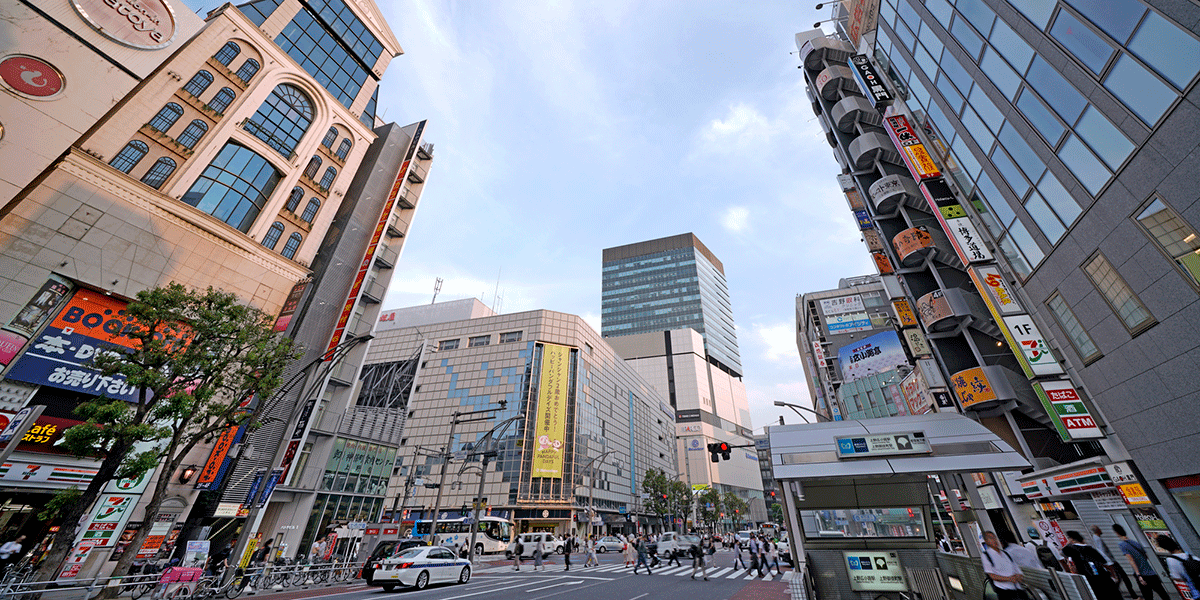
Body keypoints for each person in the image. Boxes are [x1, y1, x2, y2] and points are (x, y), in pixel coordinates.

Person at [1115, 523, 1168, 600]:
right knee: (1163, 595)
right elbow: (1146, 555)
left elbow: (1131, 560)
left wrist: (1138, 575)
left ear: (1117, 533)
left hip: (1142, 575)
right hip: (1151, 573)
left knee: (1148, 597)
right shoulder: (1135, 543)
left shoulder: (1122, 544)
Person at [1063, 530, 1121, 600]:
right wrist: (1113, 575)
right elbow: (1106, 562)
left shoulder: (1072, 551)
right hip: (1103, 577)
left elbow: (1062, 552)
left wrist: (1069, 543)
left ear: (1072, 539)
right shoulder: (1091, 549)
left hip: (1089, 579)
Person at [1093, 525, 1139, 600]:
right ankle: (1132, 595)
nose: (1101, 530)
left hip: (1111, 561)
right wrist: (1109, 563)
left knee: (1120, 578)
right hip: (1111, 562)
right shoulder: (1097, 539)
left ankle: (1120, 594)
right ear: (1097, 530)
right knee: (1123, 577)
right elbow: (1102, 551)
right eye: (1099, 529)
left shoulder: (1097, 538)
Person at [982, 531, 1028, 600]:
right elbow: (992, 576)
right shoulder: (986, 555)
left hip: (1017, 590)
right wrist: (1009, 579)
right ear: (986, 541)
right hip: (1004, 591)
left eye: (994, 538)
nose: (994, 540)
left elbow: (1018, 570)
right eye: (990, 538)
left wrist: (1018, 576)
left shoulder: (1005, 554)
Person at [1156, 535, 1199, 600]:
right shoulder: (1189, 555)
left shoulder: (1171, 560)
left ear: (1164, 547)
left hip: (1195, 592)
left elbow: (1177, 577)